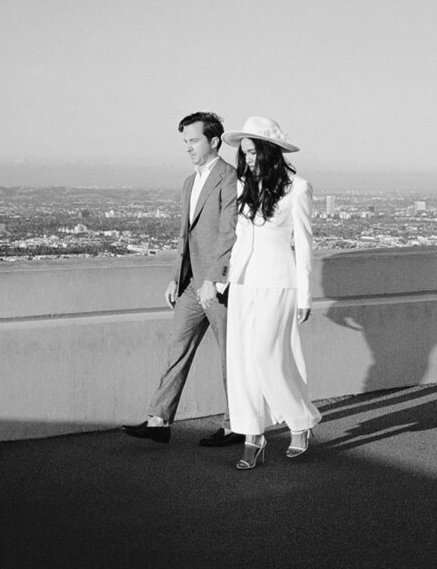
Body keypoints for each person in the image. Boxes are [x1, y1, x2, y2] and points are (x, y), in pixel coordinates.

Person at [123, 112, 244, 447]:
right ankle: (159, 421)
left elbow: (228, 234)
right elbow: (184, 236)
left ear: (214, 141)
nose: (188, 148)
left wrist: (214, 279)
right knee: (177, 348)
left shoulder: (230, 178)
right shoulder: (189, 182)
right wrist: (175, 278)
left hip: (219, 286)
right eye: (185, 142)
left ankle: (237, 424)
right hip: (192, 283)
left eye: (194, 140)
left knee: (229, 357)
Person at [220, 116, 321, 469]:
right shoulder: (242, 185)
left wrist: (306, 296)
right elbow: (238, 239)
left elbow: (305, 247)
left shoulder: (298, 188)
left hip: (280, 282)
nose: (247, 159)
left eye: (252, 152)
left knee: (266, 356)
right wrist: (224, 280)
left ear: (269, 151)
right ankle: (252, 434)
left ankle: (301, 422)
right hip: (243, 283)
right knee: (243, 361)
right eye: (243, 154)